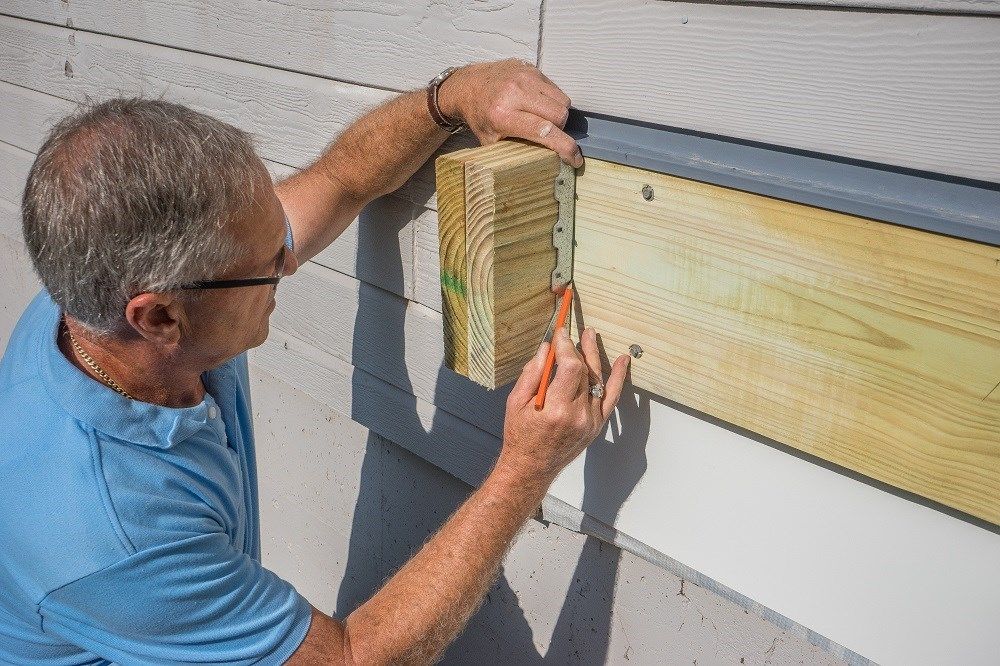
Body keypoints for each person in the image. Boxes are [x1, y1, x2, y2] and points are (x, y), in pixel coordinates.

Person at [0, 59, 630, 664]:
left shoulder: (111, 300)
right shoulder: (119, 534)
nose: (288, 262)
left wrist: (454, 97)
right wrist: (525, 466)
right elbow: (347, 660)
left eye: (279, 238)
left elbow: (341, 179)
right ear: (161, 318)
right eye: (269, 262)